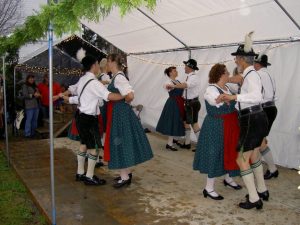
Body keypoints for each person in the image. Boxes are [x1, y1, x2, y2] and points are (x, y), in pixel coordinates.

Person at [216, 32, 269, 210]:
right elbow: (240, 80)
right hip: (257, 117)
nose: (236, 62)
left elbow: (256, 96)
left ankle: (254, 199)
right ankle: (261, 190)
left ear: (242, 59)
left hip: (251, 119)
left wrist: (232, 97)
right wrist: (228, 82)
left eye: (237, 59)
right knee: (254, 155)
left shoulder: (252, 75)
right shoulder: (249, 74)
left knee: (241, 159)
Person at [59, 54, 123, 186]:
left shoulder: (83, 79)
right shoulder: (94, 83)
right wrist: (125, 95)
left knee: (83, 145)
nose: (99, 66)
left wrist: (64, 95)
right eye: (98, 64)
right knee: (94, 148)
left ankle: (80, 173)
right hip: (89, 119)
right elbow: (109, 96)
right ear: (94, 66)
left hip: (81, 117)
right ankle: (89, 176)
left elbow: (74, 90)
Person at [104, 53, 153, 188]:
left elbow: (130, 95)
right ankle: (124, 174)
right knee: (121, 142)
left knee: (119, 142)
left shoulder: (119, 77)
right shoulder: (117, 77)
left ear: (113, 62)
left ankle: (125, 177)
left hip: (120, 113)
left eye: (108, 61)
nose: (107, 64)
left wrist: (122, 101)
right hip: (119, 112)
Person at [193, 64, 241, 201]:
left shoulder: (228, 88)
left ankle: (229, 178)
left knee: (231, 151)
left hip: (231, 124)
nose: (228, 76)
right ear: (220, 74)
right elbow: (215, 102)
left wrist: (229, 99)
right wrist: (225, 99)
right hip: (217, 125)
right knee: (215, 153)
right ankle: (208, 188)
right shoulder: (211, 89)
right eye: (226, 73)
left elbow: (233, 102)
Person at [166, 59, 201, 150]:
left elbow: (185, 85)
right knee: (186, 123)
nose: (184, 67)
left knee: (194, 124)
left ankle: (202, 145)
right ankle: (187, 143)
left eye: (185, 66)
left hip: (192, 103)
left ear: (189, 67)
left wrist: (173, 86)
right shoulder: (189, 76)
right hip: (188, 103)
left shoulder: (193, 77)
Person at [254, 54, 278, 179]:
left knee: (258, 142)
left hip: (264, 109)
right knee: (260, 141)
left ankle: (269, 169)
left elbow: (257, 94)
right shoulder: (269, 74)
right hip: (271, 108)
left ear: (257, 63)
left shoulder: (259, 75)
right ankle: (272, 169)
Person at [156, 66, 185, 151]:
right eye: (174, 71)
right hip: (173, 103)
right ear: (170, 73)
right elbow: (167, 86)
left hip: (179, 103)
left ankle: (174, 139)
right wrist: (171, 86)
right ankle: (169, 143)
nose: (176, 72)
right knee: (172, 122)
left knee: (177, 121)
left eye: (176, 70)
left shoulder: (177, 81)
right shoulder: (168, 82)